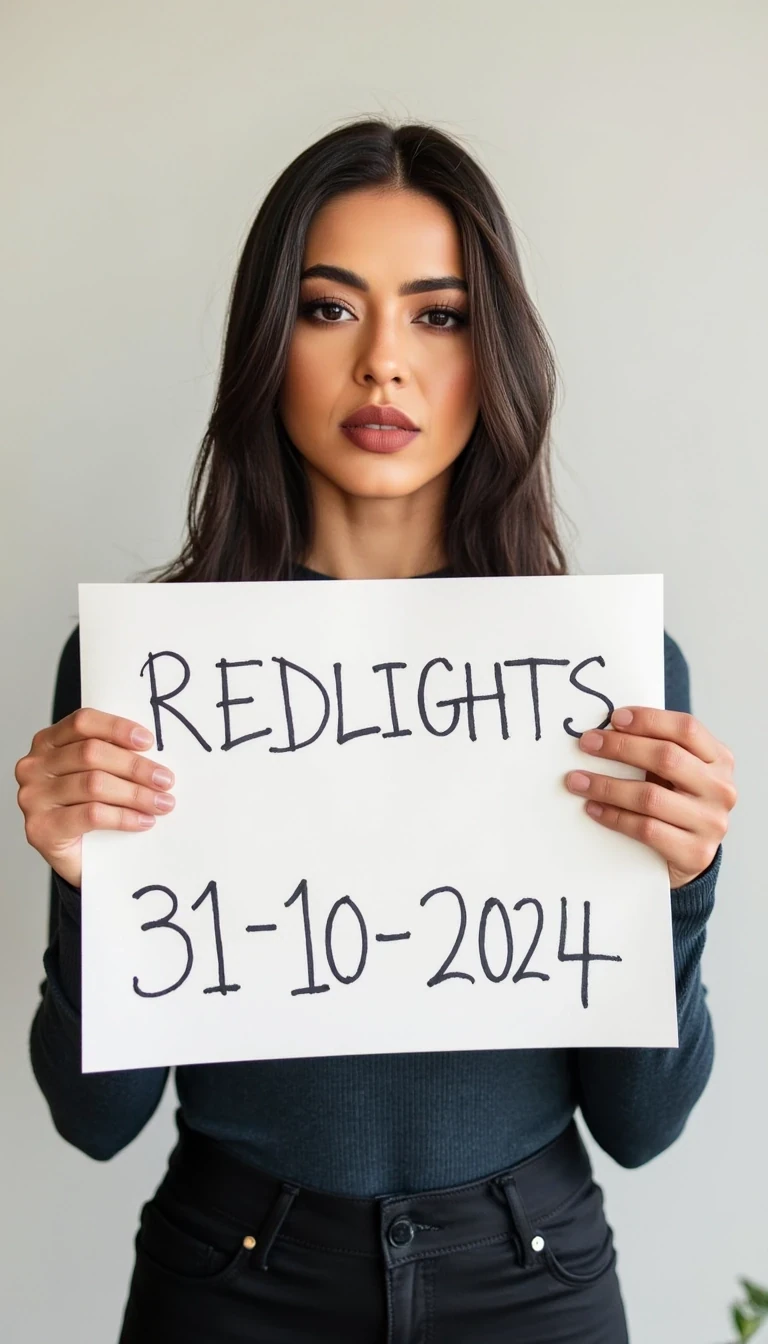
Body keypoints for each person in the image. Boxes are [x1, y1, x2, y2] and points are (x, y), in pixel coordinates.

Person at [16, 118, 737, 1344]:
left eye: (439, 315)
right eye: (331, 309)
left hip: (532, 1277)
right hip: (233, 1280)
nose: (385, 366)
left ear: (490, 352)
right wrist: (92, 885)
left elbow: (643, 1124)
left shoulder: (608, 676)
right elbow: (96, 1120)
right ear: (268, 344)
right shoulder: (144, 674)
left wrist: (683, 886)